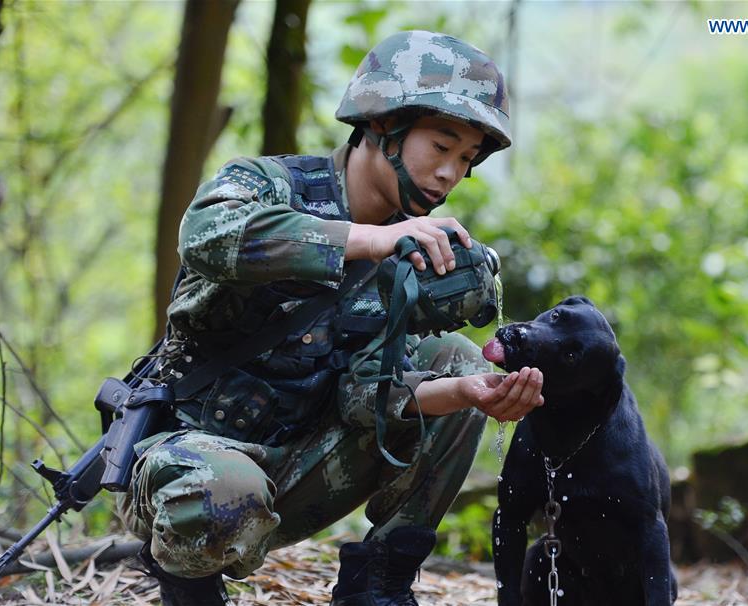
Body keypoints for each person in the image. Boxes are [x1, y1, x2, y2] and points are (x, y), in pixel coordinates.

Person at [117, 30, 544, 606]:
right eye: (441, 147)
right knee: (221, 491)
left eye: (466, 159)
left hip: (301, 467)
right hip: (189, 465)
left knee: (457, 362)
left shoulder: (408, 257)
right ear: (383, 125)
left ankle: (379, 585)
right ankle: (189, 586)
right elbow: (205, 236)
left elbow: (363, 397)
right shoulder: (268, 184)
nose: (450, 173)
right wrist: (367, 239)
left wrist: (463, 393)